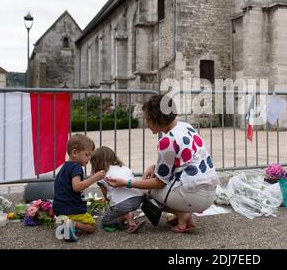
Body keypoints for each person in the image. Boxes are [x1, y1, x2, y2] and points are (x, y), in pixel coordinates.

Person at [106, 94, 219, 233]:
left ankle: (182, 215)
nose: (147, 124)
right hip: (210, 192)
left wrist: (126, 183)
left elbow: (159, 183)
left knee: (143, 190)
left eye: (148, 119)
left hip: (194, 194)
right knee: (150, 184)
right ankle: (182, 213)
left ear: (157, 118)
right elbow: (183, 159)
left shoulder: (166, 141)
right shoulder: (186, 126)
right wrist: (154, 167)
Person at [52, 134, 105, 242]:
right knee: (92, 226)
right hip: (71, 209)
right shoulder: (76, 168)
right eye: (87, 154)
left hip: (59, 208)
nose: (89, 158)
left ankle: (66, 227)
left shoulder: (65, 167)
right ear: (75, 153)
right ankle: (72, 224)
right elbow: (77, 187)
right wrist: (94, 178)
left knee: (75, 218)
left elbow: (56, 188)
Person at [91, 146, 146, 233]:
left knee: (105, 221)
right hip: (138, 199)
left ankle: (126, 216)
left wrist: (108, 201)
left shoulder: (101, 175)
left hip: (122, 203)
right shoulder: (124, 168)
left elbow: (107, 196)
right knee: (120, 208)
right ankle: (129, 219)